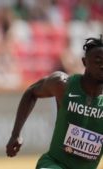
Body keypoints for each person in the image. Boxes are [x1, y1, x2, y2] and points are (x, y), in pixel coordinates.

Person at [6, 35, 103, 169]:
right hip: (54, 164)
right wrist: (15, 134)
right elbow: (31, 92)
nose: (102, 65)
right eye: (97, 61)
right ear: (84, 62)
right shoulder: (63, 84)